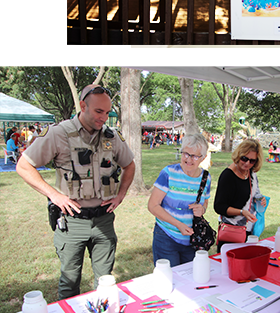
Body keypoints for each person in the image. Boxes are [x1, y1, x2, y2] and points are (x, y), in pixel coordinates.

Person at [16, 84, 135, 300]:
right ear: (82, 106)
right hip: (72, 222)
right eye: (99, 111)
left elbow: (130, 165)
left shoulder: (111, 136)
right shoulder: (59, 134)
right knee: (69, 282)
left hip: (104, 220)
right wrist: (54, 195)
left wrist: (121, 194)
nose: (104, 118)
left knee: (105, 281)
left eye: (107, 112)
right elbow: (24, 166)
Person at [148, 134, 211, 267]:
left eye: (194, 156)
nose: (188, 159)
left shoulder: (206, 177)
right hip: (166, 235)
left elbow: (205, 202)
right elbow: (153, 206)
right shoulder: (169, 173)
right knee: (169, 279)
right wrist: (178, 224)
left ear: (203, 158)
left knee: (190, 279)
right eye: (186, 154)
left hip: (193, 239)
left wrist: (203, 209)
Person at [213, 138, 266, 251]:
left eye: (252, 161)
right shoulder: (228, 176)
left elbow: (255, 193)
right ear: (238, 155)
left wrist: (260, 199)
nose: (247, 163)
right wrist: (242, 212)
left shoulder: (251, 173)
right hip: (231, 232)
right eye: (244, 159)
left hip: (248, 229)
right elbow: (219, 206)